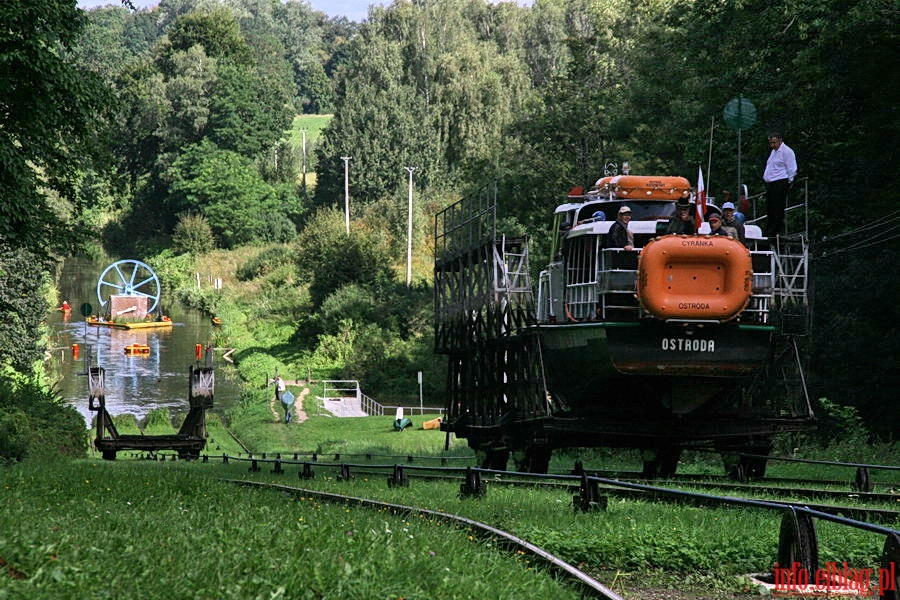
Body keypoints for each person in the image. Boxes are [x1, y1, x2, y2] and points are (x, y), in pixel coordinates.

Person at [762, 132, 797, 237]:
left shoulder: (787, 152)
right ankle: (770, 228)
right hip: (772, 183)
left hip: (780, 181)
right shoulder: (774, 152)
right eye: (771, 143)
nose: (772, 145)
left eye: (774, 142)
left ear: (780, 140)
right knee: (770, 207)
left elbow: (792, 168)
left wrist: (788, 182)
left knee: (778, 207)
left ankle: (776, 230)